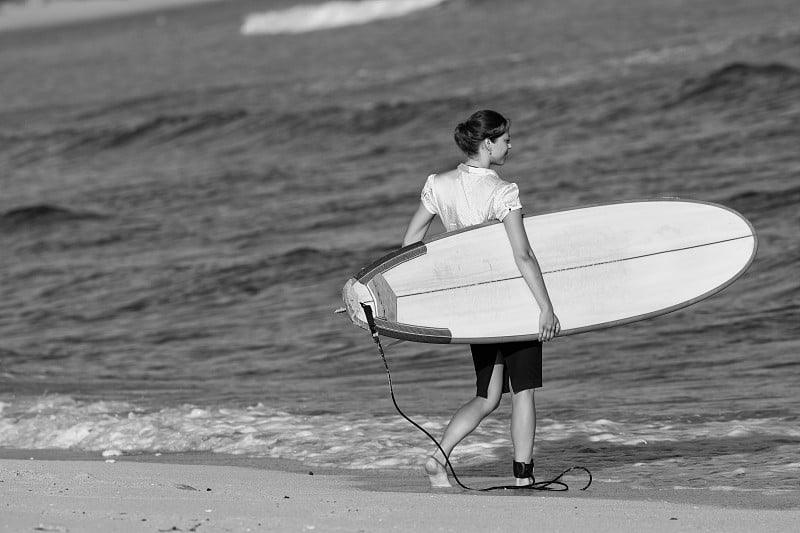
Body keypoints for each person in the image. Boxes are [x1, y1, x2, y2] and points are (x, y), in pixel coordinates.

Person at [402, 109, 561, 488]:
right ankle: (524, 478)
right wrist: (546, 307)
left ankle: (438, 458)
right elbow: (523, 255)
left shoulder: (437, 185)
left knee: (487, 397)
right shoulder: (503, 192)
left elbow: (410, 244)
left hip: (477, 311)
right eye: (505, 139)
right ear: (487, 144)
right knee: (523, 393)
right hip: (514, 306)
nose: (511, 145)